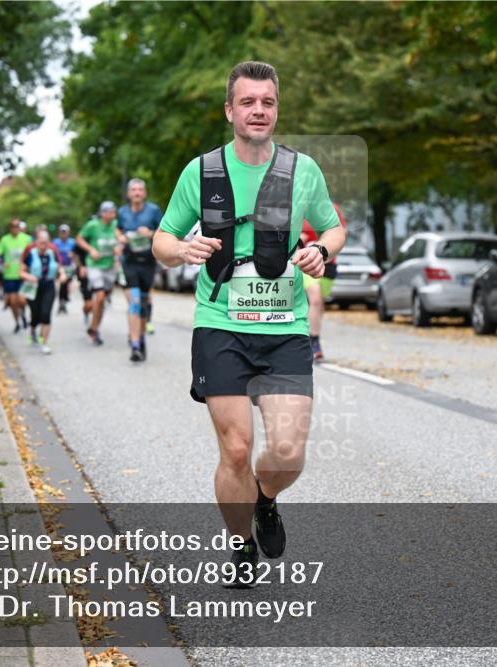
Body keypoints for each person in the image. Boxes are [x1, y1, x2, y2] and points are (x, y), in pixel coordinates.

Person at [152, 61, 347, 586]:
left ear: (276, 109)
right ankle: (241, 548)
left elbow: (332, 229)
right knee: (236, 448)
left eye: (268, 102)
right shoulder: (201, 172)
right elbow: (162, 240)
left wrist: (320, 252)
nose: (258, 110)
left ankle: (265, 499)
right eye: (248, 102)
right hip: (219, 320)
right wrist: (183, 249)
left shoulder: (302, 170)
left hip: (284, 324)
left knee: (285, 451)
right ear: (229, 110)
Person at [115, 179, 163, 361]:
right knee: (134, 301)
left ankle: (139, 337)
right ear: (128, 193)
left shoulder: (153, 210)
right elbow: (117, 231)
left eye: (140, 190)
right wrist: (122, 238)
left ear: (144, 193)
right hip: (129, 261)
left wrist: (150, 233)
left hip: (148, 262)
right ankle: (135, 345)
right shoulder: (122, 212)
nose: (136, 193)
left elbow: (164, 230)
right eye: (133, 190)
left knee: (142, 305)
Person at [302, 204, 347, 361]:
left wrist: (326, 241)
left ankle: (310, 334)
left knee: (318, 304)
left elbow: (341, 232)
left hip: (328, 264)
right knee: (315, 299)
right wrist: (299, 238)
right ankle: (313, 342)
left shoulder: (333, 208)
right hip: (306, 262)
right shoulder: (298, 206)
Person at [76, 202, 121, 346]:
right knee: (100, 297)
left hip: (109, 267)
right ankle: (94, 329)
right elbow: (79, 238)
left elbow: (120, 240)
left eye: (114, 211)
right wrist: (90, 250)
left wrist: (119, 247)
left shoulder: (115, 224)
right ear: (103, 213)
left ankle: (94, 328)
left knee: (102, 301)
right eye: (110, 211)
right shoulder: (93, 225)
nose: (113, 214)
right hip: (95, 266)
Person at [20, 230, 66, 354]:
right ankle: (33, 329)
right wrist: (29, 277)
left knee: (46, 314)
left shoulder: (52, 253)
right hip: (33, 287)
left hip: (48, 286)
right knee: (36, 314)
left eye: (46, 243)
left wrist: (62, 274)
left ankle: (44, 342)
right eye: (41, 243)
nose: (44, 246)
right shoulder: (30, 253)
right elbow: (21, 271)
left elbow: (60, 267)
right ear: (37, 242)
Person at [0, 219, 32, 333]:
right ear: (10, 228)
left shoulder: (26, 239)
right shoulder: (5, 240)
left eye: (17, 226)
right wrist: (1, 263)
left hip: (23, 275)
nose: (15, 228)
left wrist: (27, 265)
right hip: (9, 275)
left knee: (22, 300)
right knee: (12, 301)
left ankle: (23, 314)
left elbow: (32, 254)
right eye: (12, 226)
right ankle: (17, 322)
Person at [53, 224, 77, 314]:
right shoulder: (56, 242)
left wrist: (74, 259)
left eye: (65, 232)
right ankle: (61, 302)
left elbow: (76, 254)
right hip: (59, 266)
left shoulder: (72, 242)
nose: (64, 234)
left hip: (69, 266)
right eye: (62, 232)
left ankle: (64, 299)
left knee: (67, 284)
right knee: (62, 283)